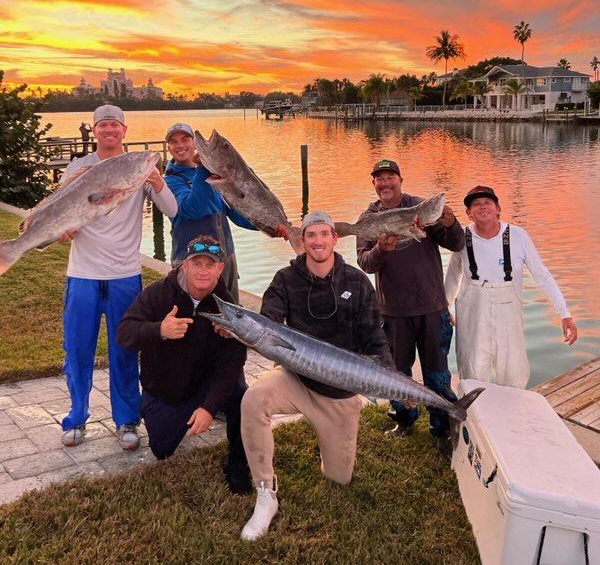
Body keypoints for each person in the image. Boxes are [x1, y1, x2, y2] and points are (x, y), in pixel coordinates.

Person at [238, 210, 393, 541]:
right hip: (297, 381)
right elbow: (269, 320)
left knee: (340, 477)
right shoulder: (285, 279)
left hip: (339, 396)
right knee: (253, 399)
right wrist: (247, 330)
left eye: (324, 234)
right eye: (311, 235)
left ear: (334, 239)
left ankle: (329, 443)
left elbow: (375, 336)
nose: (318, 241)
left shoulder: (356, 281)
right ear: (302, 240)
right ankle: (265, 493)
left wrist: (391, 377)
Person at [58, 104, 177, 450]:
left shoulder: (139, 166)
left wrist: (159, 183)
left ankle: (126, 420)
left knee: (125, 349)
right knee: (78, 349)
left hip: (125, 273)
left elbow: (174, 211)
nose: (109, 130)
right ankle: (76, 418)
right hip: (82, 272)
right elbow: (62, 207)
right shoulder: (79, 168)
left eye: (115, 125)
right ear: (95, 130)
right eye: (103, 125)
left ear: (124, 130)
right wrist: (65, 228)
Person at [117, 235, 251, 494]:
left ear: (220, 269)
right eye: (196, 263)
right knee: (162, 449)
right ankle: (176, 415)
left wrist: (209, 408)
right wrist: (159, 330)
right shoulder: (158, 294)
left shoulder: (228, 308)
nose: (203, 271)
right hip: (167, 387)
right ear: (184, 265)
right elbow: (125, 334)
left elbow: (232, 363)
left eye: (210, 264)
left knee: (244, 397)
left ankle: (238, 465)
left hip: (207, 381)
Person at [356, 159, 465, 452]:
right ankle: (404, 418)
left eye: (390, 177)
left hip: (432, 308)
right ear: (374, 184)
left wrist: (450, 221)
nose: (385, 183)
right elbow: (365, 263)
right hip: (392, 313)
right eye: (380, 179)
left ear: (400, 180)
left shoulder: (422, 208)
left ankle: (441, 427)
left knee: (437, 372)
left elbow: (456, 244)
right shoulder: (368, 219)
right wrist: (381, 249)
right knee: (396, 373)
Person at [445, 185, 578, 388]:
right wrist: (444, 308)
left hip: (508, 314)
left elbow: (542, 275)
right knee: (472, 373)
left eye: (488, 202)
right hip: (472, 315)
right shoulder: (461, 238)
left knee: (513, 373)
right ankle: (472, 418)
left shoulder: (518, 236)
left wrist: (564, 313)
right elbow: (453, 276)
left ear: (498, 208)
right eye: (476, 204)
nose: (482, 207)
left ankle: (513, 416)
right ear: (468, 214)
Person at [164, 122, 287, 303]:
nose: (180, 145)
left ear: (194, 143)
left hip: (224, 259)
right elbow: (194, 209)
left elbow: (236, 213)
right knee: (195, 319)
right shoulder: (170, 181)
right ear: (169, 148)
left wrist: (272, 226)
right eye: (174, 142)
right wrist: (203, 169)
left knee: (229, 317)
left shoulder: (213, 174)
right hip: (191, 262)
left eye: (185, 139)